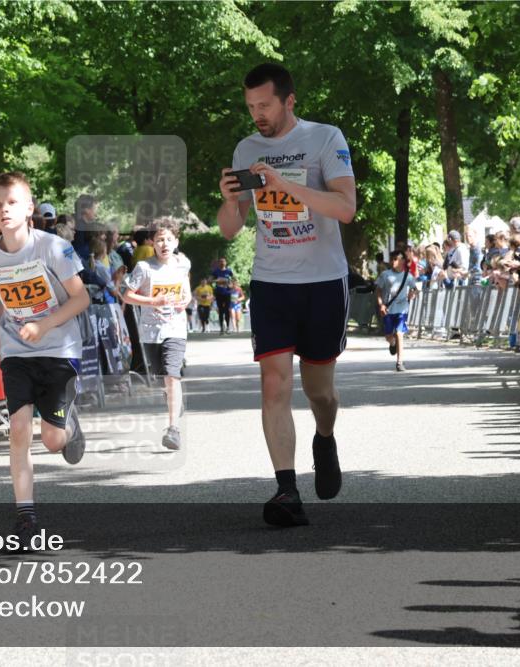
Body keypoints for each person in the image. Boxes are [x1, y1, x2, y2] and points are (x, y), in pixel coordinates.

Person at [217, 62, 356, 527]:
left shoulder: (325, 138)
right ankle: (286, 489)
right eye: (250, 106)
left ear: (288, 100)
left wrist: (286, 186)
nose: (257, 114)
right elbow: (230, 228)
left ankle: (325, 436)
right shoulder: (246, 147)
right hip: (272, 281)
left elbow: (346, 207)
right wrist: (230, 199)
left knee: (321, 392)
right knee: (274, 384)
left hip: (321, 282)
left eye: (265, 105)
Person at [0, 172, 90, 546]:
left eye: (12, 202)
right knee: (19, 430)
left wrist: (42, 325)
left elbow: (81, 298)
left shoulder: (54, 247)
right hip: (16, 352)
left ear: (29, 209)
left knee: (53, 441)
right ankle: (26, 519)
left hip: (58, 349)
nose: (4, 209)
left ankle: (68, 424)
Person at [121, 217, 192, 450]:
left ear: (176, 242)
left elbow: (186, 290)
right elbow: (125, 294)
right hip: (151, 331)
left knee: (172, 374)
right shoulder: (144, 268)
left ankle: (173, 429)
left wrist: (185, 301)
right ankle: (174, 401)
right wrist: (154, 301)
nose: (164, 244)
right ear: (152, 242)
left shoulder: (183, 263)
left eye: (169, 239)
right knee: (163, 378)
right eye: (160, 239)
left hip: (175, 328)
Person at [376, 250, 416, 372]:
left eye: (395, 259)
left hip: (402, 308)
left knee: (399, 333)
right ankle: (392, 343)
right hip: (388, 309)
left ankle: (400, 362)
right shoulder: (385, 275)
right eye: (392, 259)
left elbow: (414, 288)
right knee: (389, 335)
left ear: (402, 261)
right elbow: (378, 290)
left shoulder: (408, 276)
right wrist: (381, 304)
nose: (392, 262)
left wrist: (412, 293)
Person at [211, 257, 235, 334]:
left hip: (227, 293)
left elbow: (234, 279)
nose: (222, 263)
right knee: (221, 311)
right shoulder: (216, 271)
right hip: (219, 293)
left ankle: (228, 327)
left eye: (223, 261)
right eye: (220, 261)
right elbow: (210, 280)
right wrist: (217, 280)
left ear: (226, 262)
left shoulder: (229, 271)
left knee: (227, 310)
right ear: (218, 263)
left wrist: (231, 285)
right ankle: (221, 328)